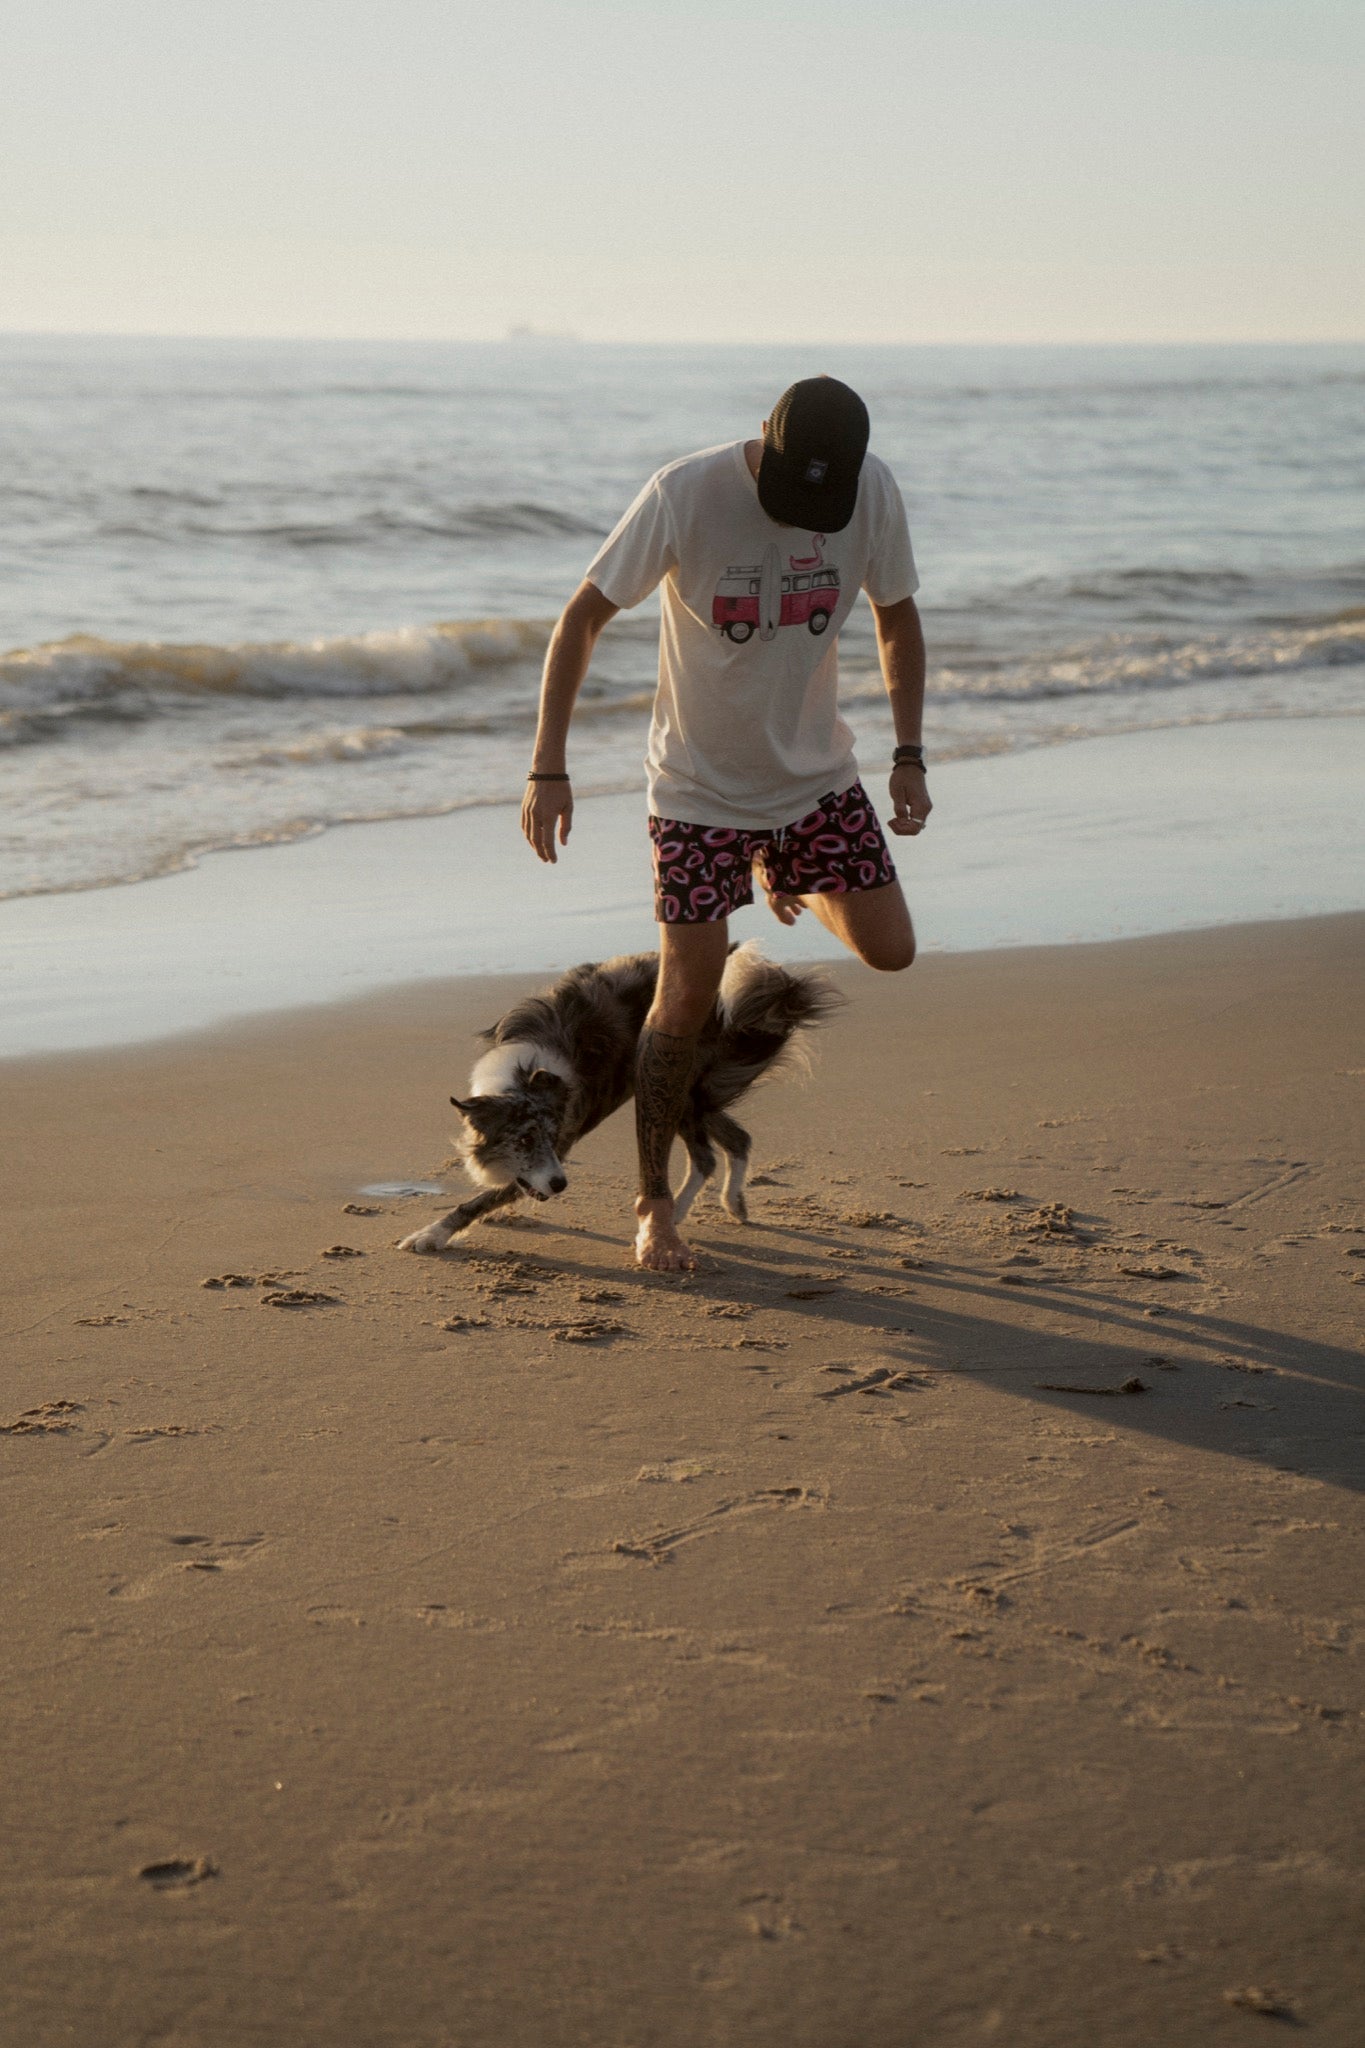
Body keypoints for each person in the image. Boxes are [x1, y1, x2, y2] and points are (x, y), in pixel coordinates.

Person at [520, 375, 929, 1272]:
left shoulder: (875, 491)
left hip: (815, 777)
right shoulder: (684, 492)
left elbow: (895, 615)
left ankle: (784, 878)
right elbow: (582, 617)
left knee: (891, 948)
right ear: (761, 440)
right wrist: (549, 766)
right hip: (697, 792)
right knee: (686, 994)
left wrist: (908, 753)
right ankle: (652, 1205)